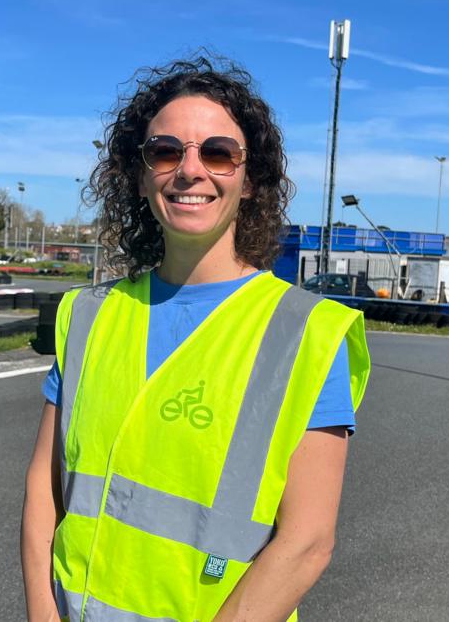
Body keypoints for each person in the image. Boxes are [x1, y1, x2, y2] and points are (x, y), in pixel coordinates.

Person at [21, 55, 371, 622]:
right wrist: (42, 612)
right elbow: (46, 483)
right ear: (140, 176)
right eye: (165, 151)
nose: (190, 170)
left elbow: (307, 542)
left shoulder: (305, 333)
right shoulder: (85, 315)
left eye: (217, 153)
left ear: (250, 179)